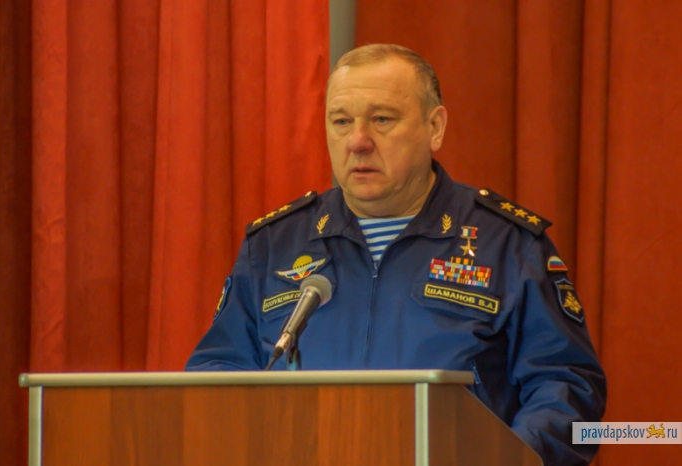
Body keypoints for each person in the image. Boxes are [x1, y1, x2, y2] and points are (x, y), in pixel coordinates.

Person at [186, 44, 606, 465]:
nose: (358, 141)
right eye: (341, 121)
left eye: (382, 119)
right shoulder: (273, 244)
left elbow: (566, 387)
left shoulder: (509, 245)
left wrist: (505, 459)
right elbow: (216, 375)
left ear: (434, 127)